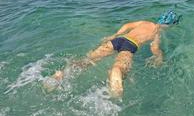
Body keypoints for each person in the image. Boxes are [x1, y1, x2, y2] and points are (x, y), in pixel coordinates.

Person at [44, 10, 182, 97]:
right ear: (168, 25)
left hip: (118, 39)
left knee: (88, 60)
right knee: (120, 68)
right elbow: (154, 48)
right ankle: (115, 82)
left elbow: (128, 25)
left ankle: (61, 74)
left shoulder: (145, 22)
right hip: (130, 45)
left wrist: (114, 35)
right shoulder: (157, 32)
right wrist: (159, 57)